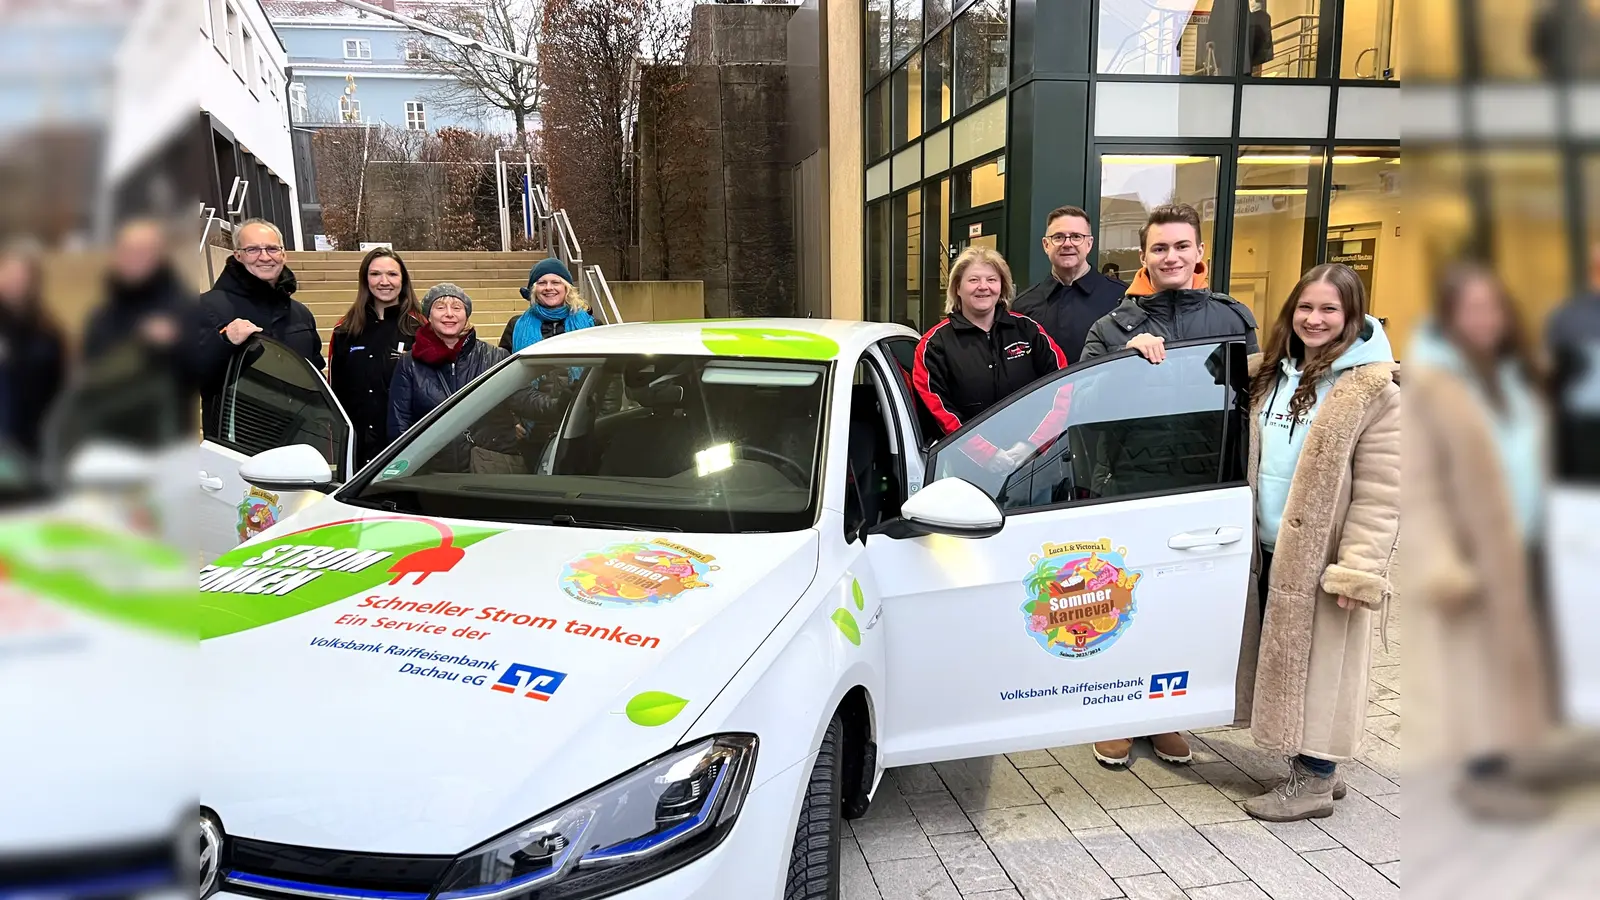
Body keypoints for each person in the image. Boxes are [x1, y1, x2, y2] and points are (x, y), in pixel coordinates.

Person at [1082, 203, 1258, 769]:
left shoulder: (1234, 318)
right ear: (1144, 257)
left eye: (1182, 246)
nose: (1172, 257)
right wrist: (1120, 366)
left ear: (1200, 252)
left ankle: (1166, 716)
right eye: (1160, 248)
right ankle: (1117, 713)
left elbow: (1257, 398)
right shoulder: (1111, 328)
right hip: (1132, 486)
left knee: (1185, 608)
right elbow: (1080, 408)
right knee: (1124, 600)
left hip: (1207, 485)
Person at [1234, 264, 1398, 822]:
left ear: (1353, 317)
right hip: (1270, 545)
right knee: (1288, 661)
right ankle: (1315, 769)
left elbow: (1381, 491)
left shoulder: (1374, 392)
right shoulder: (1268, 375)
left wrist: (1359, 565)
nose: (1315, 319)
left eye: (1330, 310)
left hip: (1326, 555)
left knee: (1325, 666)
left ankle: (1315, 780)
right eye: (1306, 307)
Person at [1409, 265, 1558, 820]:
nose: (1484, 319)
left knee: (1518, 662)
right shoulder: (1434, 385)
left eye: (1492, 307)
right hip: (1469, 550)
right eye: (1470, 308)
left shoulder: (1517, 374)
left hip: (1528, 539)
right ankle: (1483, 774)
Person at [912, 246, 1067, 472]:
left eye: (991, 280)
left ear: (1002, 286)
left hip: (1034, 465)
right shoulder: (934, 345)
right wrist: (985, 454)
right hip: (967, 470)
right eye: (973, 280)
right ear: (957, 287)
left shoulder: (1028, 331)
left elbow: (1062, 387)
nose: (983, 287)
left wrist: (1033, 444)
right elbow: (939, 409)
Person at [196, 219, 322, 425]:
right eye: (252, 249)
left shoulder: (300, 313)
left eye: (272, 249)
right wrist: (225, 341)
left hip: (299, 438)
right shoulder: (207, 307)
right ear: (238, 255)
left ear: (283, 254)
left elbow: (315, 374)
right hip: (239, 442)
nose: (264, 257)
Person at [388, 283, 521, 473]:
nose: (449, 314)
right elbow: (399, 421)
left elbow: (522, 398)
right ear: (428, 315)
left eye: (457, 308)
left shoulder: (495, 356)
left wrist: (560, 401)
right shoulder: (409, 363)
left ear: (466, 315)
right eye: (440, 307)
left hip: (487, 467)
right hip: (433, 472)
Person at [330, 248, 423, 468]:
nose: (384, 281)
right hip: (358, 447)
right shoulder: (344, 329)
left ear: (403, 279)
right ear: (365, 279)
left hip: (406, 445)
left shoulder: (420, 328)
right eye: (375, 274)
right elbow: (337, 392)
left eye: (392, 274)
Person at [1012, 205, 1126, 362]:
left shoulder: (1121, 298)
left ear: (1089, 244)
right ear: (1046, 245)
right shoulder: (1022, 306)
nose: (1067, 244)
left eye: (1076, 237)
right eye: (1058, 237)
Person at [0, 240, 65, 457]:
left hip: (32, 440)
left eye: (21, 274)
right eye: (7, 272)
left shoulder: (48, 330)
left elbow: (57, 388)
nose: (14, 280)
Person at [498, 258, 596, 353]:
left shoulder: (591, 325)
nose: (548, 288)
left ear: (567, 289)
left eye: (555, 282)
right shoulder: (515, 325)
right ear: (534, 291)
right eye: (542, 283)